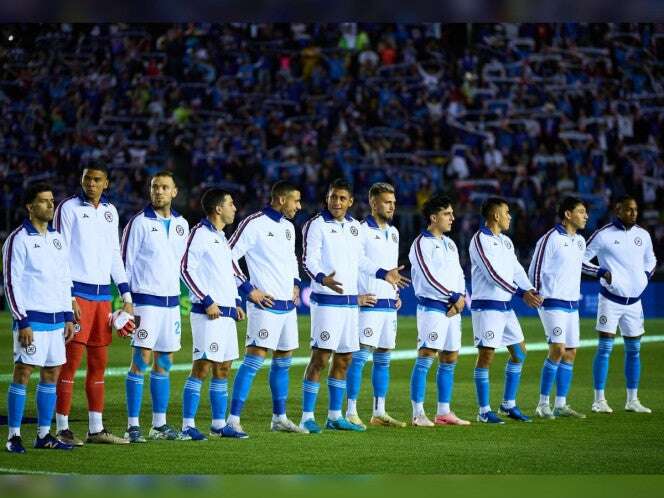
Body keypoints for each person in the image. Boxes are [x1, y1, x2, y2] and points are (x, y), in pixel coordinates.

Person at [299, 179, 409, 433]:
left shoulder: (352, 228)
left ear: (350, 202)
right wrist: (321, 278)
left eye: (342, 198)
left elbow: (361, 260)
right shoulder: (316, 224)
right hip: (327, 302)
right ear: (327, 199)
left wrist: (384, 274)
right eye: (333, 197)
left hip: (349, 305)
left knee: (345, 359)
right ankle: (306, 417)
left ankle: (335, 416)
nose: (337, 202)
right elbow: (308, 259)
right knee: (320, 358)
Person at [179, 188, 270, 439]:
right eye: (230, 204)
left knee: (224, 368)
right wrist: (207, 300)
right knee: (202, 366)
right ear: (218, 208)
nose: (235, 208)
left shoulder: (220, 236)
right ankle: (187, 426)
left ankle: (219, 425)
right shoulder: (199, 233)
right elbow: (185, 269)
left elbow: (232, 272)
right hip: (209, 313)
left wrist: (237, 301)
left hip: (227, 312)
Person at [53, 163, 132, 445]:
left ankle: (95, 429)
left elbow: (114, 255)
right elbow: (59, 252)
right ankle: (62, 429)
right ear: (82, 180)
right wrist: (68, 297)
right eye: (87, 179)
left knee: (99, 363)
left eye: (97, 180)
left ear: (106, 183)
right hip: (78, 296)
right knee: (70, 364)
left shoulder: (111, 212)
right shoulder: (68, 208)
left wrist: (126, 297)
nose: (92, 184)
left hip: (102, 299)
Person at [226, 181, 307, 436]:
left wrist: (295, 283)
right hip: (265, 306)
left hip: (287, 307)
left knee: (283, 360)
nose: (299, 206)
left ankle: (279, 418)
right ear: (282, 200)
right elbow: (226, 255)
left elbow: (291, 258)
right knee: (254, 361)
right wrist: (248, 289)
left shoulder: (288, 227)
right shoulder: (254, 223)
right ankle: (232, 420)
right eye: (296, 201)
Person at [4, 183, 77, 452]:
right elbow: (11, 283)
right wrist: (22, 320)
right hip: (32, 319)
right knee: (23, 372)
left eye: (51, 200)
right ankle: (13, 436)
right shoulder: (18, 239)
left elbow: (63, 278)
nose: (50, 205)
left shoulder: (57, 238)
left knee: (51, 373)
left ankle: (44, 435)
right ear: (30, 206)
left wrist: (68, 314)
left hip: (57, 320)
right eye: (44, 201)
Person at [121, 171, 190, 442]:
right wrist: (127, 301)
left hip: (172, 304)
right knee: (141, 361)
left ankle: (158, 425)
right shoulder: (138, 223)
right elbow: (124, 264)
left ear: (174, 192)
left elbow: (185, 265)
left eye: (164, 187)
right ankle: (133, 425)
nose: (158, 191)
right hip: (146, 302)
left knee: (165, 362)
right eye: (154, 187)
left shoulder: (182, 224)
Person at [531, 196, 608, 419]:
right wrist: (535, 291)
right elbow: (536, 267)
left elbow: (581, 263)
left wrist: (600, 271)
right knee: (558, 349)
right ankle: (542, 403)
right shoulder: (550, 238)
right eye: (581, 211)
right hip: (552, 301)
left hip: (572, 303)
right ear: (567, 214)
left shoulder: (580, 241)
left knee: (571, 353)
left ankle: (560, 404)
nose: (586, 216)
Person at [468, 197, 543, 424]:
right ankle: (483, 411)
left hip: (505, 307)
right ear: (495, 215)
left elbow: (516, 270)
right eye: (507, 212)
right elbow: (492, 274)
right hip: (487, 307)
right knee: (487, 356)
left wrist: (530, 288)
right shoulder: (480, 239)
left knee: (519, 353)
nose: (510, 216)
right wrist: (521, 294)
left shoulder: (506, 242)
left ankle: (508, 404)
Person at [584, 195, 657, 414]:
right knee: (605, 348)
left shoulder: (643, 235)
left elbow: (651, 260)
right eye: (628, 209)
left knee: (634, 350)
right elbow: (581, 259)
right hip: (610, 300)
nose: (633, 213)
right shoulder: (603, 235)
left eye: (635, 210)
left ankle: (632, 400)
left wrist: (645, 276)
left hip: (634, 303)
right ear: (618, 210)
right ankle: (599, 400)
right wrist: (601, 272)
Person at [345, 182, 408, 429]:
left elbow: (392, 269)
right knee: (360, 357)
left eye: (393, 202)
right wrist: (356, 296)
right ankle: (350, 411)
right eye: (387, 202)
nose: (392, 206)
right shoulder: (359, 230)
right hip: (368, 302)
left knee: (384, 358)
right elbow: (356, 262)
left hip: (388, 305)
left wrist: (393, 291)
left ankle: (379, 411)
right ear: (373, 203)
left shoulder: (394, 232)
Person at [408, 194, 470, 427]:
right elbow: (428, 275)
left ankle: (444, 411)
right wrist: (453, 296)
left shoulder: (450, 243)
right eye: (447, 214)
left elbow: (459, 273)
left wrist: (461, 296)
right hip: (433, 308)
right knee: (426, 356)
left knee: (450, 357)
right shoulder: (421, 243)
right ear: (433, 217)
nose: (452, 217)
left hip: (453, 310)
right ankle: (418, 413)